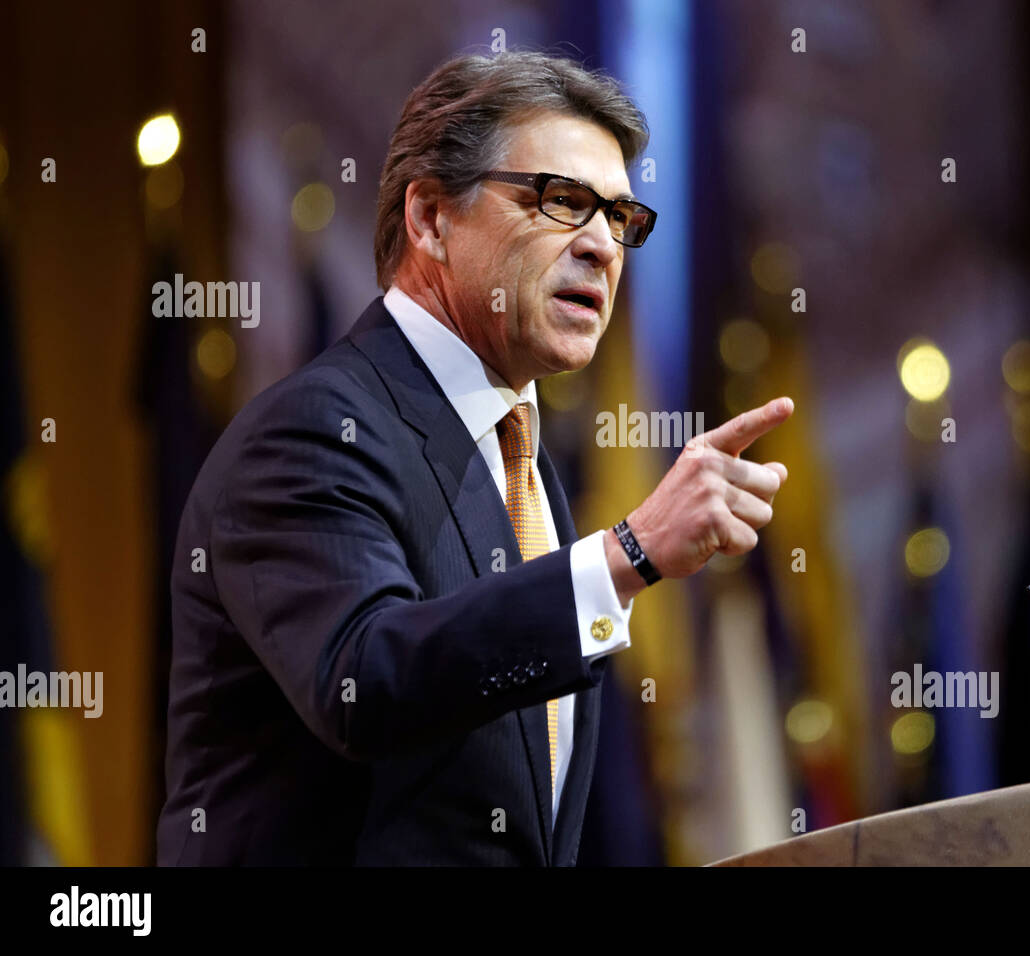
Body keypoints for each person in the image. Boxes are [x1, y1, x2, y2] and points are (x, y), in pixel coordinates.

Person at [157, 50, 793, 866]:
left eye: (622, 219)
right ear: (430, 218)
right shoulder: (311, 431)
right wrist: (624, 557)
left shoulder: (521, 465)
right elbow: (365, 681)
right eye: (564, 202)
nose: (603, 245)